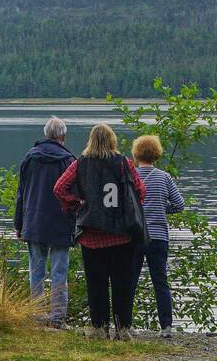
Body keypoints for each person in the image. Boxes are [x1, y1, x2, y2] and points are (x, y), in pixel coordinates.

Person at [53, 123, 146, 341]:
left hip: (92, 236)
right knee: (122, 283)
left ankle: (99, 328)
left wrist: (76, 204)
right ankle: (123, 329)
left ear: (91, 140)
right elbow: (140, 191)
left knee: (96, 283)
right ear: (112, 140)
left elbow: (59, 188)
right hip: (122, 234)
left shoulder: (80, 164)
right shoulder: (124, 163)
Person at [14, 116, 77, 329]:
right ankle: (58, 318)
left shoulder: (30, 158)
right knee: (59, 271)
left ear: (45, 135)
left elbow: (21, 194)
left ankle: (37, 316)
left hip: (34, 221)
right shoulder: (68, 160)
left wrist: (19, 223)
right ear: (63, 136)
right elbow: (75, 194)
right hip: (61, 222)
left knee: (36, 271)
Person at [130, 135, 184, 338]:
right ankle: (166, 327)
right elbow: (179, 205)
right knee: (160, 281)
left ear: (136, 154)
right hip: (158, 236)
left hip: (134, 236)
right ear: (157, 154)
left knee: (130, 280)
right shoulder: (164, 177)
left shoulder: (130, 176)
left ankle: (125, 323)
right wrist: (162, 209)